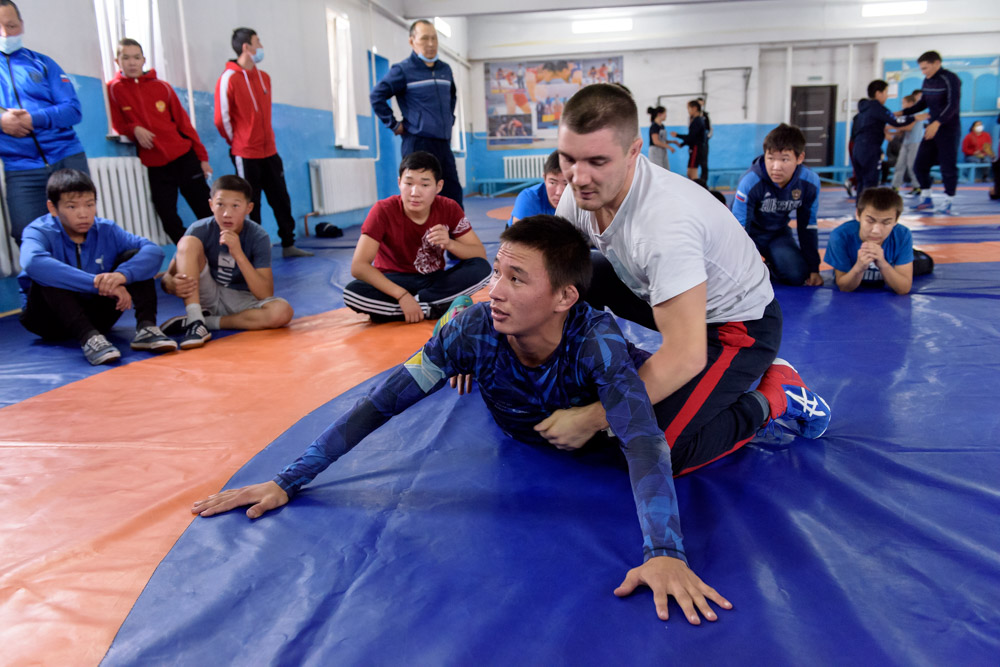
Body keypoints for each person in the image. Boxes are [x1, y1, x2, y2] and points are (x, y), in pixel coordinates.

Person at [193, 215, 735, 625]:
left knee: (679, 445)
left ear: (564, 297)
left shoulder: (598, 342)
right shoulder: (471, 330)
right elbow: (381, 403)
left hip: (603, 412)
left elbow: (642, 442)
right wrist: (288, 480)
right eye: (497, 271)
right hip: (531, 422)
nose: (495, 290)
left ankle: (767, 399)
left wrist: (665, 553)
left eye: (516, 279)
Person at [552, 83, 830, 477]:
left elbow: (686, 354)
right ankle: (594, 366)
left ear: (634, 151)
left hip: (735, 326)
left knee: (657, 450)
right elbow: (546, 268)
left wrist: (593, 417)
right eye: (569, 159)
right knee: (573, 270)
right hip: (658, 293)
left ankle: (776, 395)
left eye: (598, 161)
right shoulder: (579, 193)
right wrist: (479, 338)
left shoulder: (664, 226)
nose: (579, 178)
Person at [17, 169, 174, 364]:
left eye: (90, 205)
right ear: (53, 208)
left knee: (135, 257)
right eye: (72, 206)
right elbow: (32, 262)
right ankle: (89, 338)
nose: (83, 214)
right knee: (47, 272)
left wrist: (121, 276)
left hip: (97, 315)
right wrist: (97, 284)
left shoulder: (106, 229)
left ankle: (147, 328)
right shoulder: (38, 230)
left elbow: (154, 251)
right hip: (48, 319)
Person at [342, 151, 490, 324]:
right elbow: (359, 266)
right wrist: (402, 295)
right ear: (399, 183)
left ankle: (405, 309)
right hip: (392, 281)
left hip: (433, 281)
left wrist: (450, 244)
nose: (414, 192)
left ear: (439, 186)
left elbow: (479, 254)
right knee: (353, 292)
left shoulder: (449, 208)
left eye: (425, 185)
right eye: (408, 183)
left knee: (483, 269)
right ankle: (434, 307)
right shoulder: (382, 210)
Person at [159, 174, 294, 349]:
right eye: (220, 204)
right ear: (211, 205)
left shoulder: (258, 236)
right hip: (207, 294)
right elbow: (168, 277)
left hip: (241, 298)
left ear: (248, 208)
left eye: (235, 206)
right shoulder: (199, 229)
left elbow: (265, 293)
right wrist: (171, 284)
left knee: (282, 312)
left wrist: (238, 253)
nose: (226, 214)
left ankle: (207, 322)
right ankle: (195, 320)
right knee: (188, 242)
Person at [214, 27, 312, 258]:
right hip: (246, 153)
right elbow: (221, 119)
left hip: (270, 151)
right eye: (258, 42)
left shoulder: (264, 78)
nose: (261, 47)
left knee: (281, 199)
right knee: (251, 204)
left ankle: (288, 244)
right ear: (246, 46)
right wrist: (240, 141)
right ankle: (253, 251)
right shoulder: (228, 78)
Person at [107, 38, 212, 245]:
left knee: (206, 209)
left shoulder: (162, 87)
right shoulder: (113, 89)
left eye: (136, 57)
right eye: (126, 58)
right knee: (167, 217)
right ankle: (191, 253)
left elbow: (184, 125)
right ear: (117, 61)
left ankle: (222, 251)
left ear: (143, 60)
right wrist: (134, 129)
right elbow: (118, 124)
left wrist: (202, 158)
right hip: (155, 165)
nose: (132, 62)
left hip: (184, 157)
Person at [0, 0, 89, 245]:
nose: (5, 33)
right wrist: (2, 121)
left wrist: (33, 119)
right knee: (26, 235)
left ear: (21, 25)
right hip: (20, 168)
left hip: (66, 158)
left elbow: (72, 110)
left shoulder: (42, 63)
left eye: (11, 25)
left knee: (78, 232)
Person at [370, 20, 463, 209]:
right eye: (424, 38)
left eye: (434, 38)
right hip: (418, 142)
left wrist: (450, 119)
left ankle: (455, 230)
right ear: (412, 41)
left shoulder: (445, 69)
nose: (430, 44)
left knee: (453, 195)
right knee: (419, 197)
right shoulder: (403, 70)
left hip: (443, 143)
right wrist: (393, 124)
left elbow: (452, 96)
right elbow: (376, 96)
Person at [732, 123, 823, 287]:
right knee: (738, 276)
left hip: (777, 234)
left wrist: (813, 268)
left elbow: (808, 226)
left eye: (784, 159)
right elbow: (739, 228)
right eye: (771, 158)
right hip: (749, 235)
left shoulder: (809, 182)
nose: (776, 167)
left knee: (797, 276)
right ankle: (758, 267)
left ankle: (769, 266)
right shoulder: (750, 181)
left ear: (799, 158)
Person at [825, 186, 933, 295]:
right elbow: (844, 287)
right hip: (860, 266)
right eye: (870, 221)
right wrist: (859, 267)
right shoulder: (840, 236)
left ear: (896, 221)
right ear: (858, 214)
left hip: (898, 261)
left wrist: (882, 263)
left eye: (886, 223)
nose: (876, 230)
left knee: (927, 263)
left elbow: (903, 289)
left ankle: (912, 255)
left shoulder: (902, 234)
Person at [901, 51, 962, 215]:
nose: (923, 72)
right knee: (919, 165)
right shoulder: (927, 81)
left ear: (936, 63)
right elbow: (923, 103)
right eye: (921, 69)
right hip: (931, 130)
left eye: (925, 68)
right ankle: (927, 198)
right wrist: (902, 113)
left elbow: (953, 105)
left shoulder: (950, 79)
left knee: (948, 166)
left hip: (948, 129)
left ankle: (948, 201)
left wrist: (937, 122)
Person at [850, 80, 917, 197]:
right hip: (870, 149)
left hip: (858, 148)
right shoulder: (877, 108)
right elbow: (896, 122)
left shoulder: (864, 109)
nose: (887, 96)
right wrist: (914, 118)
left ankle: (860, 207)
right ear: (878, 93)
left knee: (861, 182)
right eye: (886, 92)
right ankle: (869, 208)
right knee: (871, 183)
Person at [507, 150, 567, 226]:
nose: (559, 192)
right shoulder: (529, 198)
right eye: (552, 183)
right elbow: (519, 232)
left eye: (566, 184)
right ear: (544, 178)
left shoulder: (579, 199)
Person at [891, 94, 923, 194]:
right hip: (906, 142)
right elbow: (901, 131)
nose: (902, 105)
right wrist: (889, 133)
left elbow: (908, 128)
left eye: (904, 103)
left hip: (915, 142)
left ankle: (917, 186)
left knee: (911, 165)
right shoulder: (906, 116)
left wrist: (890, 127)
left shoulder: (917, 114)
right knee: (900, 164)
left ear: (911, 103)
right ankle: (895, 186)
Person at [670, 100, 707, 181]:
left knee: (692, 174)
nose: (688, 111)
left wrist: (677, 135)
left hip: (696, 148)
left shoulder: (698, 121)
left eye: (689, 109)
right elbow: (692, 137)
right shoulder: (696, 120)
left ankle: (697, 188)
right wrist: (682, 144)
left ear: (695, 108)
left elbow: (691, 137)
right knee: (690, 173)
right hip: (694, 148)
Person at [645, 105, 676, 171]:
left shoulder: (662, 126)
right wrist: (669, 147)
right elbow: (656, 141)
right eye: (665, 113)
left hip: (662, 151)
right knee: (658, 171)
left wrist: (672, 142)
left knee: (666, 170)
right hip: (655, 152)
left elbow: (662, 140)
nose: (666, 115)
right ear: (659, 114)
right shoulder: (654, 126)